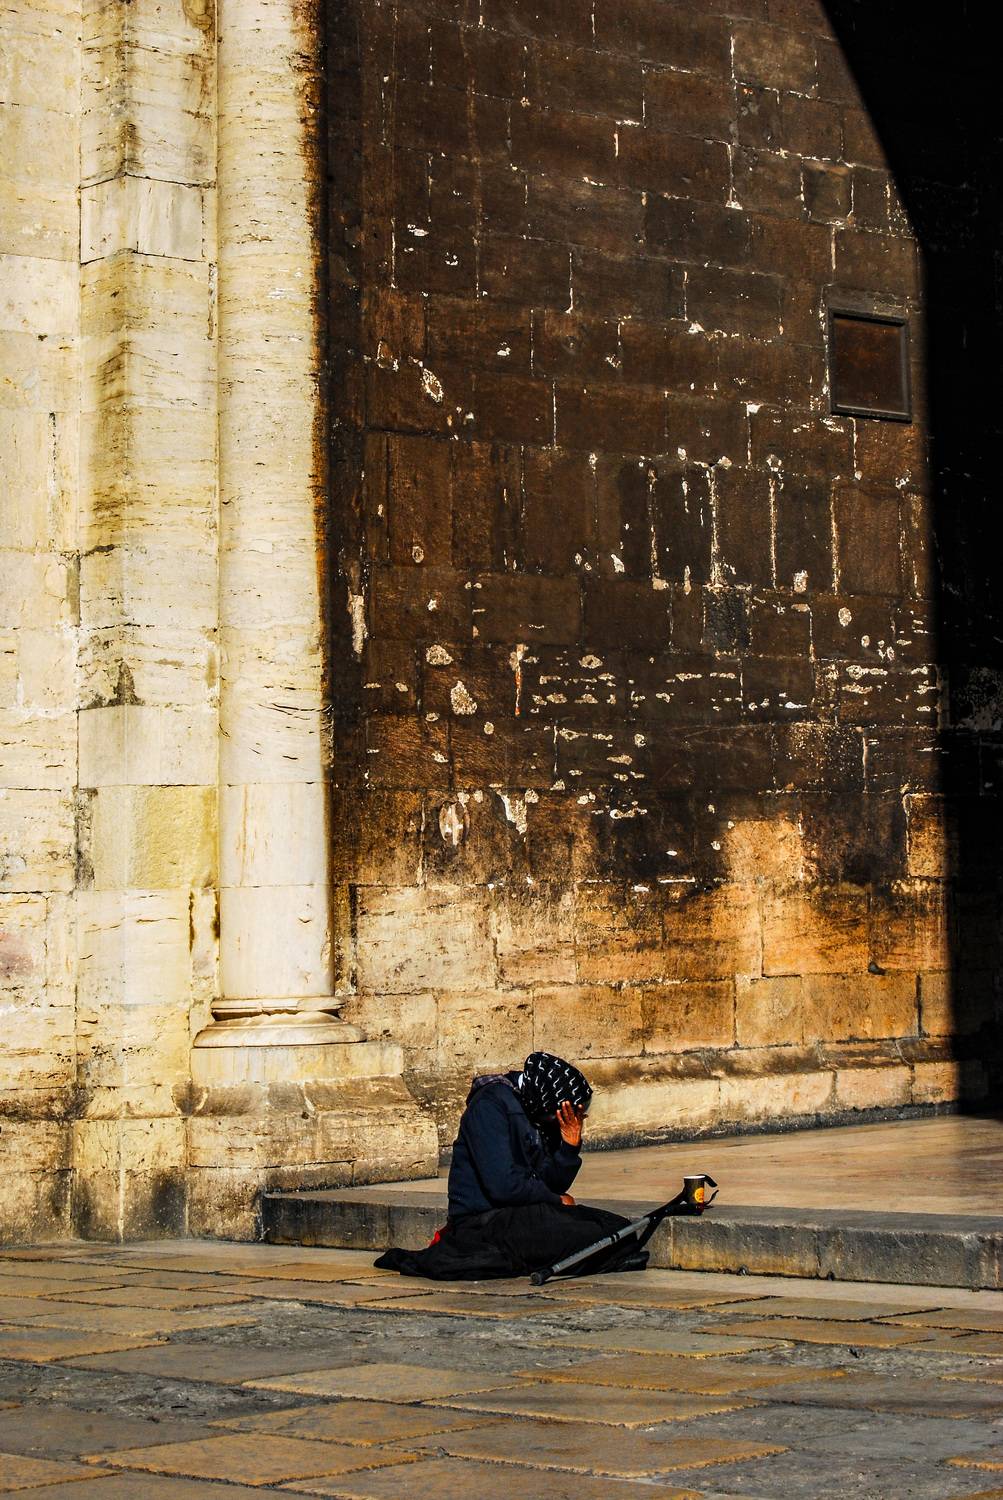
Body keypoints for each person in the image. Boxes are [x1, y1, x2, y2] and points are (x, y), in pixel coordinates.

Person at [374, 1051, 648, 1280]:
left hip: (521, 1213)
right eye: (565, 1115)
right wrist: (553, 1199)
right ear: (550, 1106)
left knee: (619, 1228)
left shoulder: (537, 1116)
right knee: (595, 1236)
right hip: (484, 1222)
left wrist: (568, 1147)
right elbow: (504, 1185)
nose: (569, 1120)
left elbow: (552, 1183)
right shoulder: (490, 1106)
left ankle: (603, 1258)